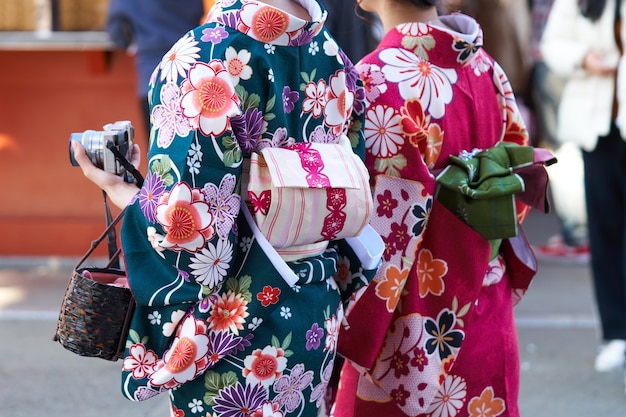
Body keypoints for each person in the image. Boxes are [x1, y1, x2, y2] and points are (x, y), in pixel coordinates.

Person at [72, 1, 378, 416]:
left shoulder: (207, 58)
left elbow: (186, 231)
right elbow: (349, 186)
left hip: (237, 321)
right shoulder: (333, 56)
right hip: (313, 309)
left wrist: (122, 192)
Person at [332, 1, 554, 416]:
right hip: (486, 302)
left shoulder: (373, 81)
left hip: (408, 319)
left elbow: (371, 229)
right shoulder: (486, 68)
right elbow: (516, 188)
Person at [540, 0, 626, 373]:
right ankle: (616, 332)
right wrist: (584, 58)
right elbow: (552, 45)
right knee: (605, 232)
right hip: (598, 129)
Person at [529, 0, 590, 264]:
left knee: (564, 148)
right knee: (569, 146)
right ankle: (580, 230)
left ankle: (577, 230)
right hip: (568, 64)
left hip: (554, 65)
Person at [105, 0, 206, 142]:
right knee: (197, 151)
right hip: (193, 74)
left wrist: (136, 42)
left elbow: (116, 31)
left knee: (159, 155)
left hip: (152, 76)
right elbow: (202, 13)